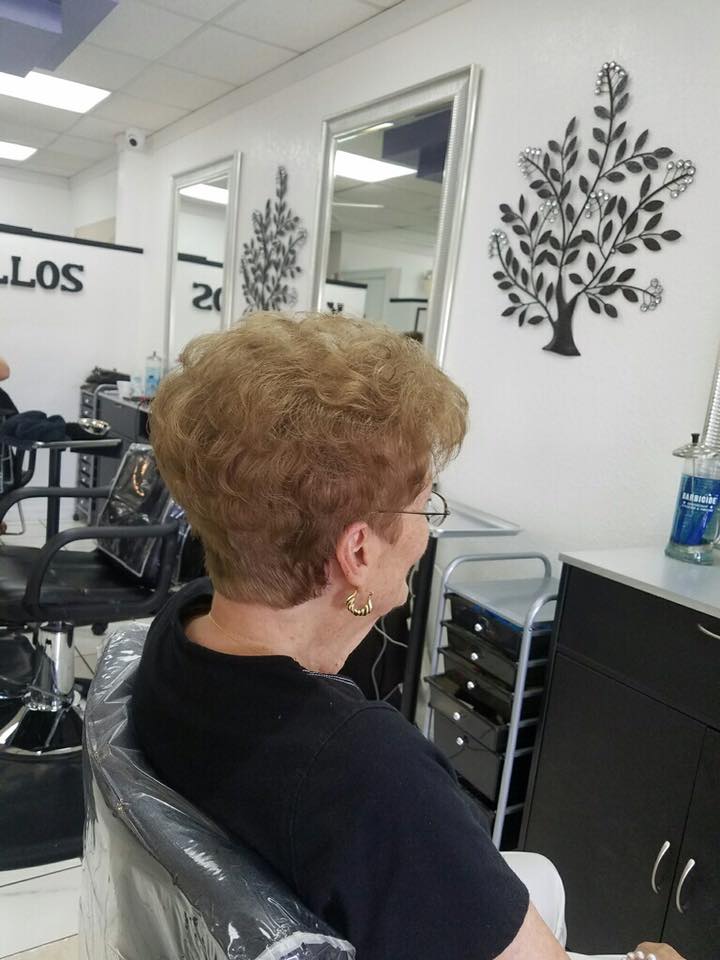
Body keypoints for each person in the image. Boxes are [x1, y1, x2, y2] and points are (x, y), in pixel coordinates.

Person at [132, 312, 686, 960]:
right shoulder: (370, 773)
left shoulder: (180, 633)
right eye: (427, 503)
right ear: (358, 552)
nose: (427, 530)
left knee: (539, 878)